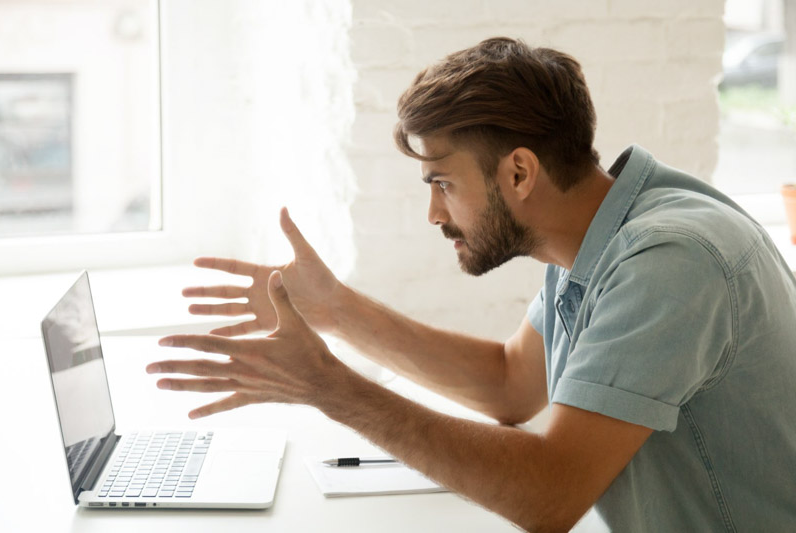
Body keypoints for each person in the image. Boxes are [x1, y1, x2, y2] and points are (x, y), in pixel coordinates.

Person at [146, 37, 796, 531]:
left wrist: (328, 387)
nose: (434, 214)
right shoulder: (599, 234)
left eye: (442, 183)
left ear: (519, 173)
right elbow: (512, 382)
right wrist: (337, 312)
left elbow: (550, 492)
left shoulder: (669, 262)